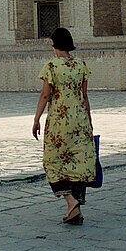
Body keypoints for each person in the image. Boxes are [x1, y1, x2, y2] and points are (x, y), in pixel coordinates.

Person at [32, 27, 94, 225]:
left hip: (60, 123)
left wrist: (36, 119)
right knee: (78, 162)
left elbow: (45, 95)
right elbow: (84, 96)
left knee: (52, 162)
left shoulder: (51, 66)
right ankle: (75, 210)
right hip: (80, 121)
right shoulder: (80, 65)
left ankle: (71, 202)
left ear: (54, 45)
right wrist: (89, 121)